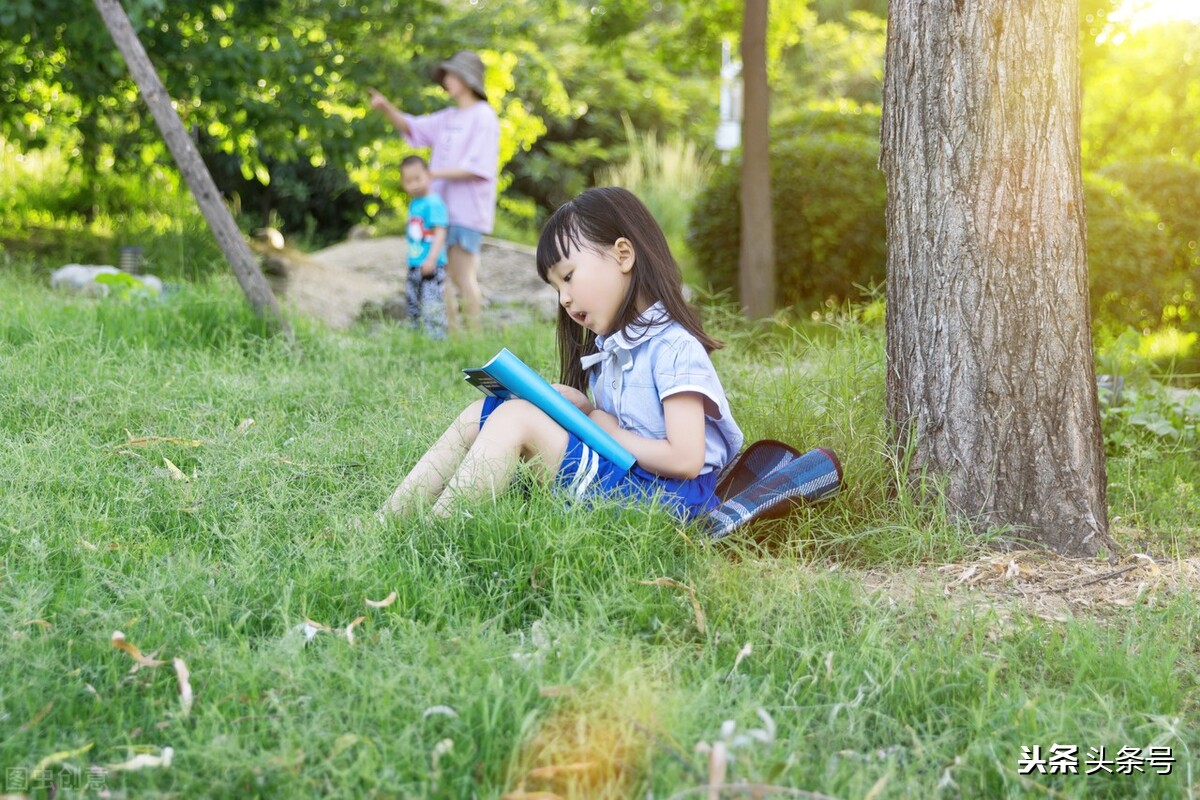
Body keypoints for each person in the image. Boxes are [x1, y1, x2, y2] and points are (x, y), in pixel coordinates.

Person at [382, 186, 744, 520]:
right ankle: (388, 521)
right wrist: (583, 409)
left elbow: (685, 459)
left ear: (623, 254)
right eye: (556, 288)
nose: (564, 299)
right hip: (632, 479)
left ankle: (432, 539)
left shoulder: (673, 348)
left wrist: (608, 431)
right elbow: (626, 423)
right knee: (483, 413)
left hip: (668, 501)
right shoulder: (613, 349)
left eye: (568, 277)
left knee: (517, 419)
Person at [369, 50, 500, 335]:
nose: (447, 81)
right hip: (441, 208)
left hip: (468, 210)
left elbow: (478, 166)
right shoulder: (448, 117)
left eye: (452, 75)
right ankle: (451, 335)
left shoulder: (484, 117)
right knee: (442, 278)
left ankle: (474, 337)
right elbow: (412, 126)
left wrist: (432, 174)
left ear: (467, 78)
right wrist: (385, 107)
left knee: (463, 275)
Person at [400, 155, 448, 339]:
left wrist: (431, 259)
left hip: (432, 265)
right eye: (408, 181)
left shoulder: (434, 202)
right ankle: (417, 340)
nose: (413, 184)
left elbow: (440, 232)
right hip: (415, 264)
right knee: (413, 304)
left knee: (432, 306)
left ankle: (436, 343)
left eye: (417, 178)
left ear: (428, 175)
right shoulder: (415, 203)